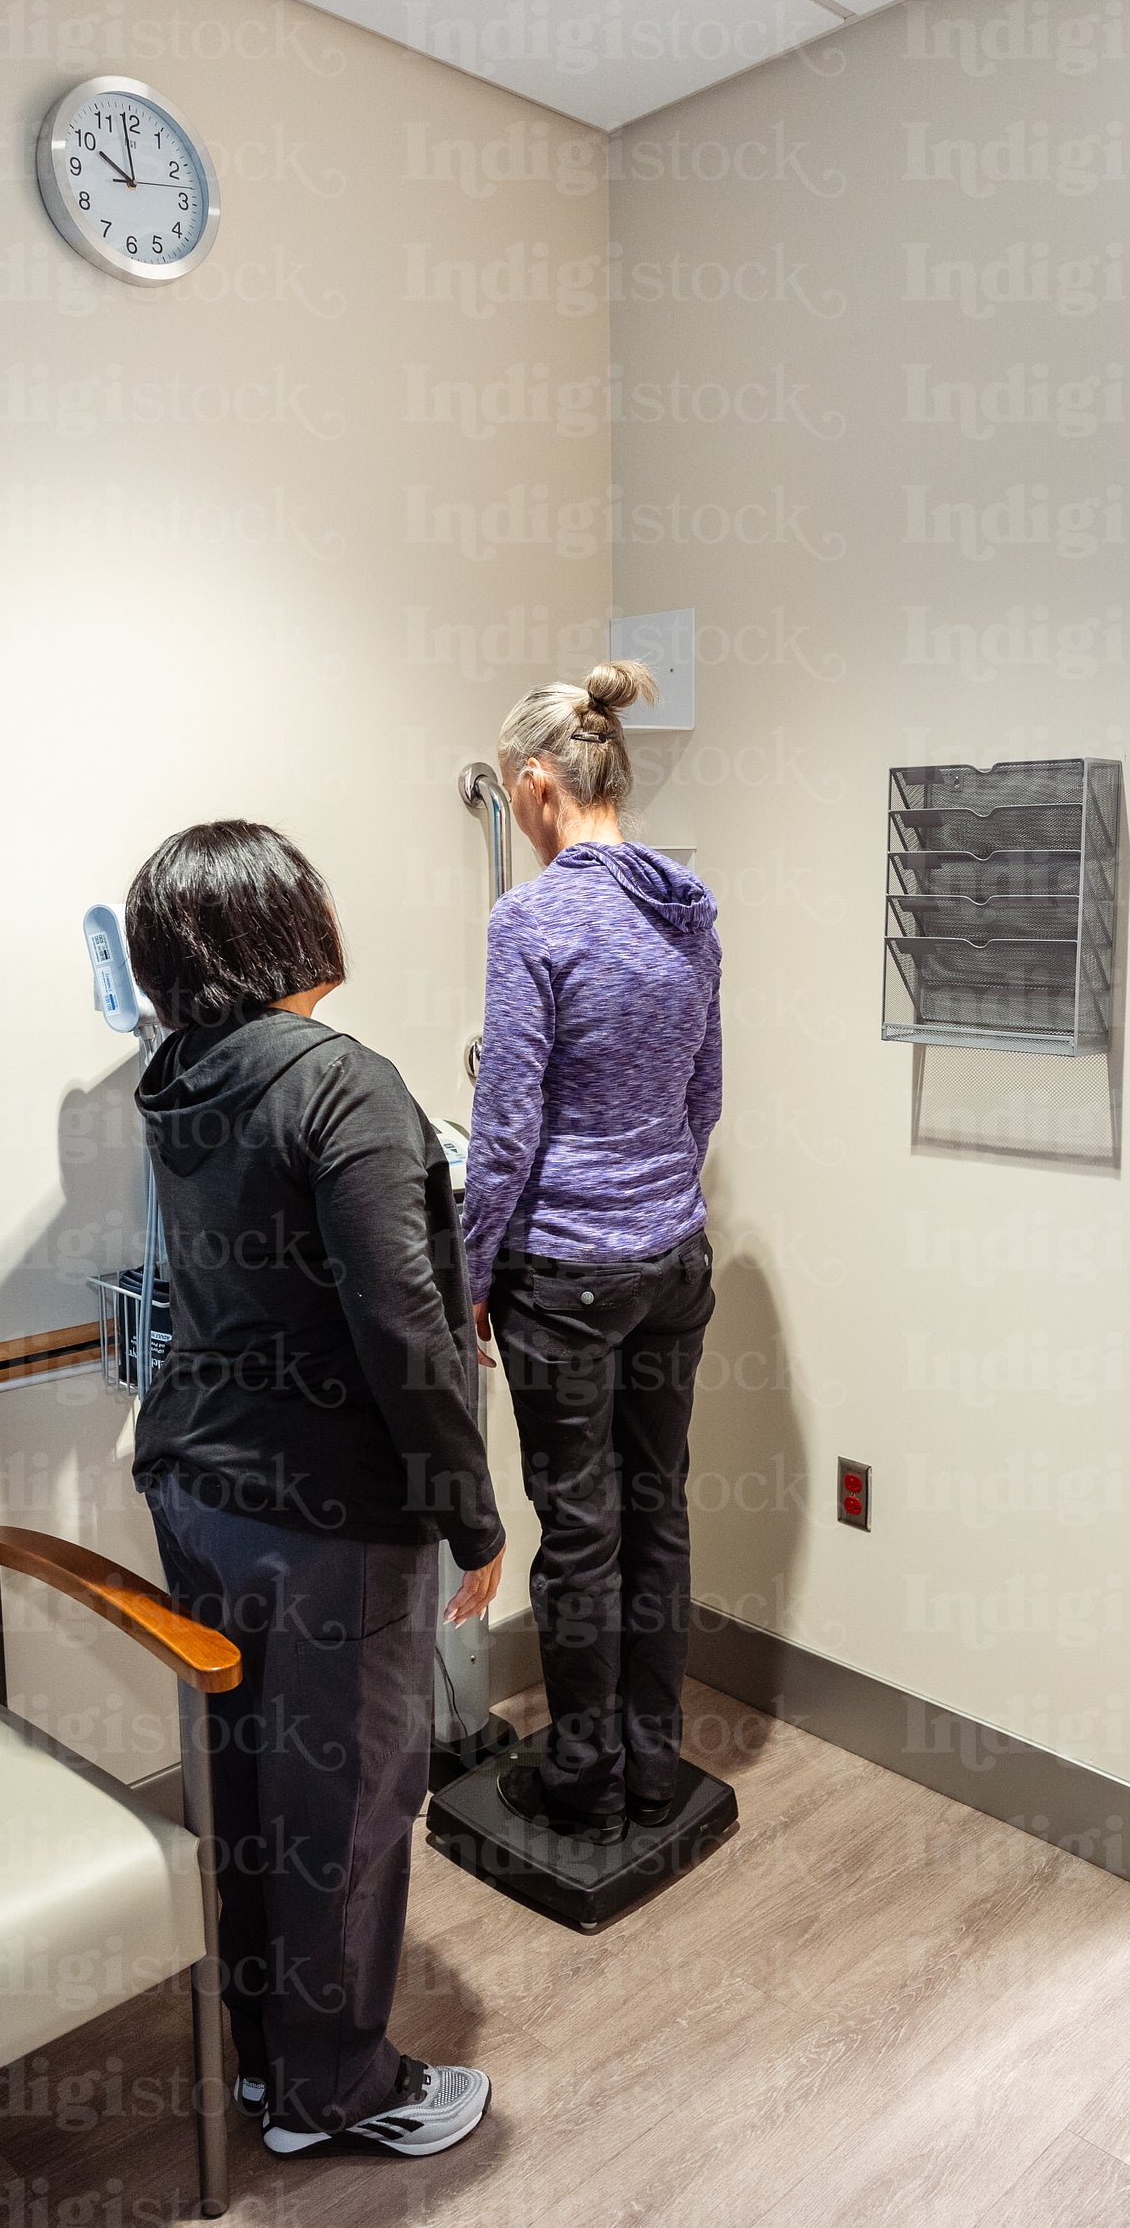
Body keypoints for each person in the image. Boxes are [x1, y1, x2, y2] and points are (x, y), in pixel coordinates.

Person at [125, 819, 505, 2160]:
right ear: (288, 919)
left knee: (239, 1778)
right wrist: (472, 1512)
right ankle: (335, 2085)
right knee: (343, 1799)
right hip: (330, 1508)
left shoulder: (175, 1076)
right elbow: (408, 1332)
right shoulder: (343, 1086)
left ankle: (252, 2053)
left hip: (198, 1479)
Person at [462, 663, 722, 1845]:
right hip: (674, 1258)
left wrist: (467, 1277)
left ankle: (583, 1781)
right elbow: (703, 1095)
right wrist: (654, 1189)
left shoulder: (533, 918)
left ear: (534, 785)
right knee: (657, 1510)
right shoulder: (690, 908)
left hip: (566, 1277)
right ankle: (653, 1768)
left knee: (580, 1533)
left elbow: (507, 1126)